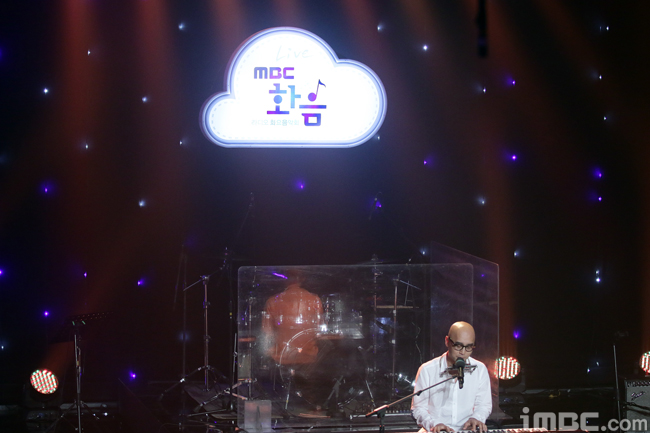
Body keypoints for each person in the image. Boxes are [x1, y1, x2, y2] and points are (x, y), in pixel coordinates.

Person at [411, 321, 492, 432]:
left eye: (468, 347)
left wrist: (476, 418)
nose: (463, 352)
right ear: (447, 341)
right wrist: (434, 424)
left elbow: (484, 405)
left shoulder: (479, 369)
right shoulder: (427, 370)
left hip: (466, 430)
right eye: (458, 346)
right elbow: (418, 408)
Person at [261, 272, 324, 365]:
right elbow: (320, 332)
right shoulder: (315, 300)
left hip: (280, 359)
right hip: (309, 359)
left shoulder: (272, 301)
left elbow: (267, 334)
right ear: (303, 278)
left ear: (284, 278)